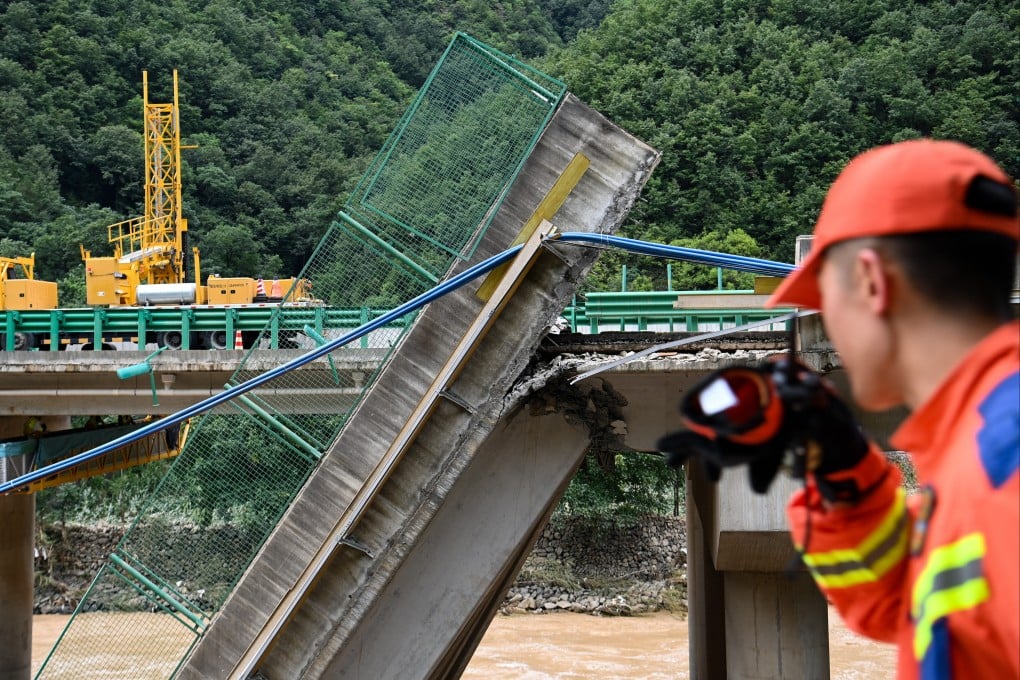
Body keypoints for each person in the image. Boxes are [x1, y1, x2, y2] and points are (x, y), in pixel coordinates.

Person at [659, 139, 1019, 678]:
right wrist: (841, 468)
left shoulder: (1002, 452)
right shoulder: (975, 448)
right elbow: (902, 600)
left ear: (872, 283)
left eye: (825, 301)